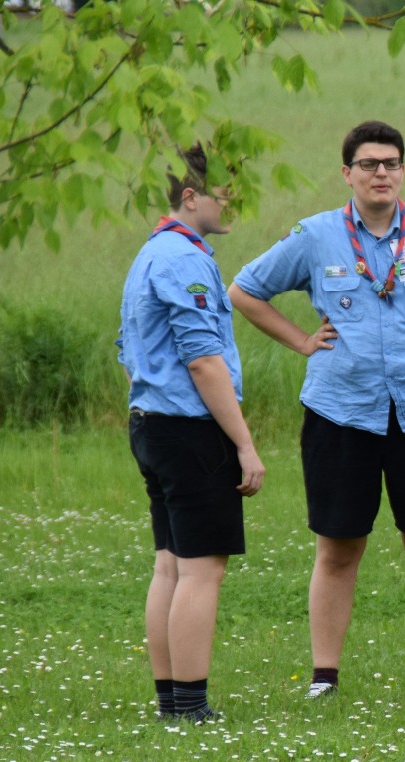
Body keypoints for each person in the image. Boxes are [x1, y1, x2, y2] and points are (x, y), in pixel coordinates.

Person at [228, 120, 405, 700]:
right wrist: (302, 341)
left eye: (390, 163)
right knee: (338, 546)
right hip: (341, 410)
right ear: (348, 173)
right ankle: (324, 678)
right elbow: (244, 291)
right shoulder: (315, 235)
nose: (380, 173)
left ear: (403, 171)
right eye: (368, 164)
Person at [118, 142, 266, 724]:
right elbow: (203, 360)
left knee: (171, 564)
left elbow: (128, 352)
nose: (233, 207)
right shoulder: (184, 259)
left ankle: (171, 703)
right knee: (202, 569)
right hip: (188, 430)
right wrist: (244, 444)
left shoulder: (148, 254)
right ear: (190, 197)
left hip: (150, 424)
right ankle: (191, 706)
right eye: (225, 196)